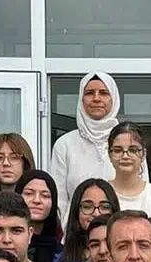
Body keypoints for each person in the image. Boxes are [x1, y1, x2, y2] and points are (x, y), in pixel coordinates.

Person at [53, 72, 144, 222]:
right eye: (89, 93)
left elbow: (141, 191)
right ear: (81, 99)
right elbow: (59, 200)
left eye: (103, 93)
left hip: (122, 228)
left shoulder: (130, 142)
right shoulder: (65, 144)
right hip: (78, 230)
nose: (96, 98)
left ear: (113, 98)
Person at [107, 122, 151, 234]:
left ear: (143, 154)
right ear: (109, 155)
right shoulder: (99, 194)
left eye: (133, 150)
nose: (125, 156)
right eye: (118, 150)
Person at [58, 178, 119, 262]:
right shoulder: (59, 261)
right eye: (87, 206)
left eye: (104, 206)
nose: (96, 213)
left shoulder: (127, 257)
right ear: (76, 212)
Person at [16, 169, 64, 262]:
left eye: (45, 196)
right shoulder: (6, 245)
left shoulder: (62, 255)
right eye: (29, 194)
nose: (37, 200)